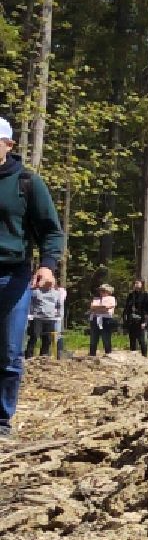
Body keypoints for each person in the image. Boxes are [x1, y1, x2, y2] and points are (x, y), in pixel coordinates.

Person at [0, 117, 65, 431]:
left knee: (10, 350)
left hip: (12, 276)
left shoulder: (27, 182)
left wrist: (47, 264)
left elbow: (51, 231)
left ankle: (1, 419)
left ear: (8, 145)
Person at [27, 277, 61, 358]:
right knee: (34, 336)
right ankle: (29, 355)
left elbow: (58, 305)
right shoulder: (36, 292)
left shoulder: (56, 293)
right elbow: (29, 302)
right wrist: (29, 314)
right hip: (37, 317)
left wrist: (58, 314)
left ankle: (44, 355)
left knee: (47, 338)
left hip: (50, 318)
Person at [87, 284, 117, 356]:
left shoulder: (112, 298)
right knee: (94, 338)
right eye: (100, 291)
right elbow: (92, 307)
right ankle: (92, 354)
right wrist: (100, 308)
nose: (101, 292)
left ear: (108, 292)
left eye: (103, 291)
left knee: (106, 338)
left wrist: (98, 308)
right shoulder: (96, 299)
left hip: (106, 319)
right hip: (95, 319)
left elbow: (107, 308)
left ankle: (108, 353)